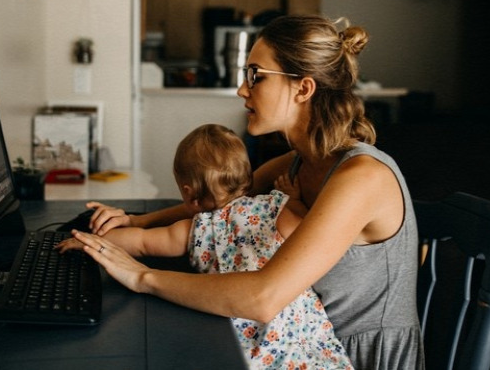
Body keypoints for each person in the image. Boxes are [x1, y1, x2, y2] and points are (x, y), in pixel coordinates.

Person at [68, 15, 424, 369]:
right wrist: (136, 221)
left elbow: (263, 297)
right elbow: (225, 202)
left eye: (256, 75)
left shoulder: (361, 177)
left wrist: (141, 277)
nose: (242, 89)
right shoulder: (298, 162)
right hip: (293, 344)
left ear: (303, 88)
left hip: (348, 357)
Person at [57, 124, 354, 370]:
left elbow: (140, 243)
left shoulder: (195, 229)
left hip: (244, 343)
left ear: (189, 194)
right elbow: (308, 229)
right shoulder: (279, 208)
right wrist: (294, 198)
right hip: (300, 338)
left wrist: (89, 242)